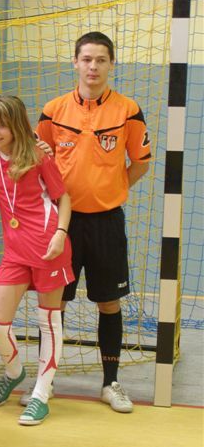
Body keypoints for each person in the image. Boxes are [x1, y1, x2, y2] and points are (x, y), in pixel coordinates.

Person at [36, 32, 151, 413]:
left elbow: (141, 163)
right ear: (75, 62)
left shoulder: (128, 110)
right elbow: (36, 161)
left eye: (101, 60)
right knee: (55, 304)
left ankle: (110, 383)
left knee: (109, 303)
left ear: (111, 64)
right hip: (62, 224)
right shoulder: (53, 111)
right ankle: (46, 381)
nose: (93, 67)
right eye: (86, 59)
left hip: (106, 223)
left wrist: (113, 189)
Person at [0, 95, 73, 425]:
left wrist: (60, 234)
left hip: (49, 247)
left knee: (48, 321)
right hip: (15, 253)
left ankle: (41, 394)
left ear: (17, 126)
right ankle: (14, 371)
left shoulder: (38, 155)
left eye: (2, 125)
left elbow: (64, 198)